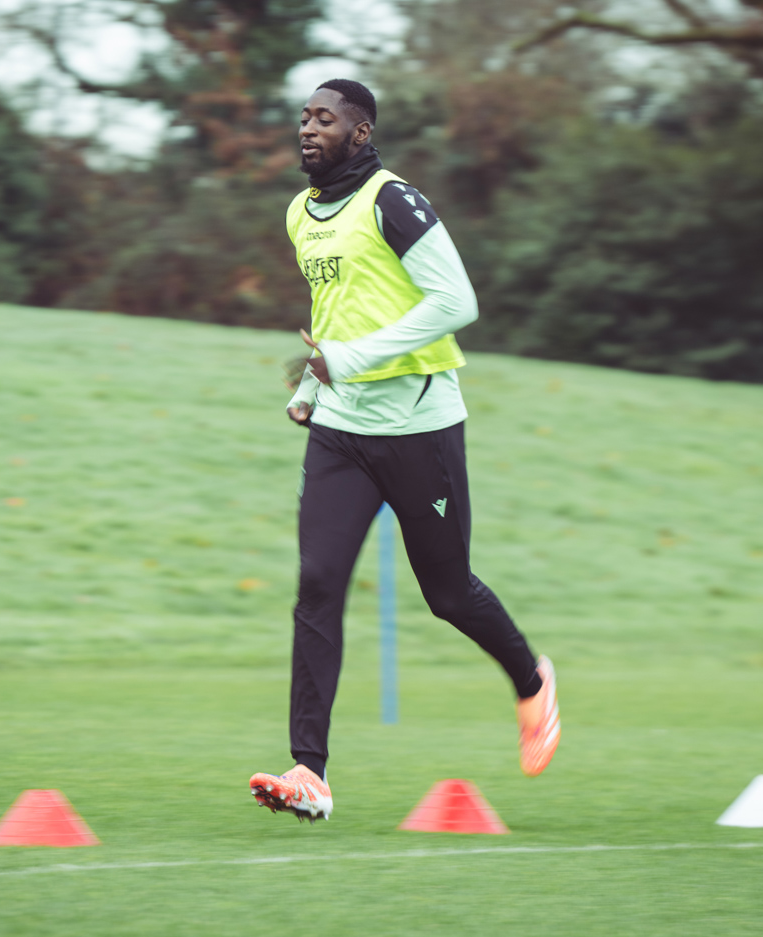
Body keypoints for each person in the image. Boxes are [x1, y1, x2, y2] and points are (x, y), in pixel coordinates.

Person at [249, 79, 559, 823]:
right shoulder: (299, 213)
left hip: (420, 427)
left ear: (360, 133)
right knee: (317, 586)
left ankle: (531, 681)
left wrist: (351, 361)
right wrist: (314, 386)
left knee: (447, 594)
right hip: (341, 434)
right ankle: (310, 771)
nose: (307, 128)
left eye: (325, 119)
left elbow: (457, 302)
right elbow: (335, 312)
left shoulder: (394, 200)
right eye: (303, 117)